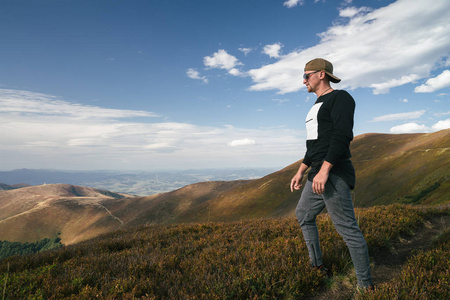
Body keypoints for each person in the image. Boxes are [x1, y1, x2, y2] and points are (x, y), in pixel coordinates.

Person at [290, 58, 373, 289]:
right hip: (316, 172)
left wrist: (325, 170)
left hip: (333, 172)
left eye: (306, 75)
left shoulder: (341, 98)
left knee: (347, 228)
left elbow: (342, 135)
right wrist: (301, 171)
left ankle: (366, 286)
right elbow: (313, 146)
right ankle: (317, 265)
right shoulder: (315, 106)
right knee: (303, 215)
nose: (303, 80)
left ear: (321, 75)